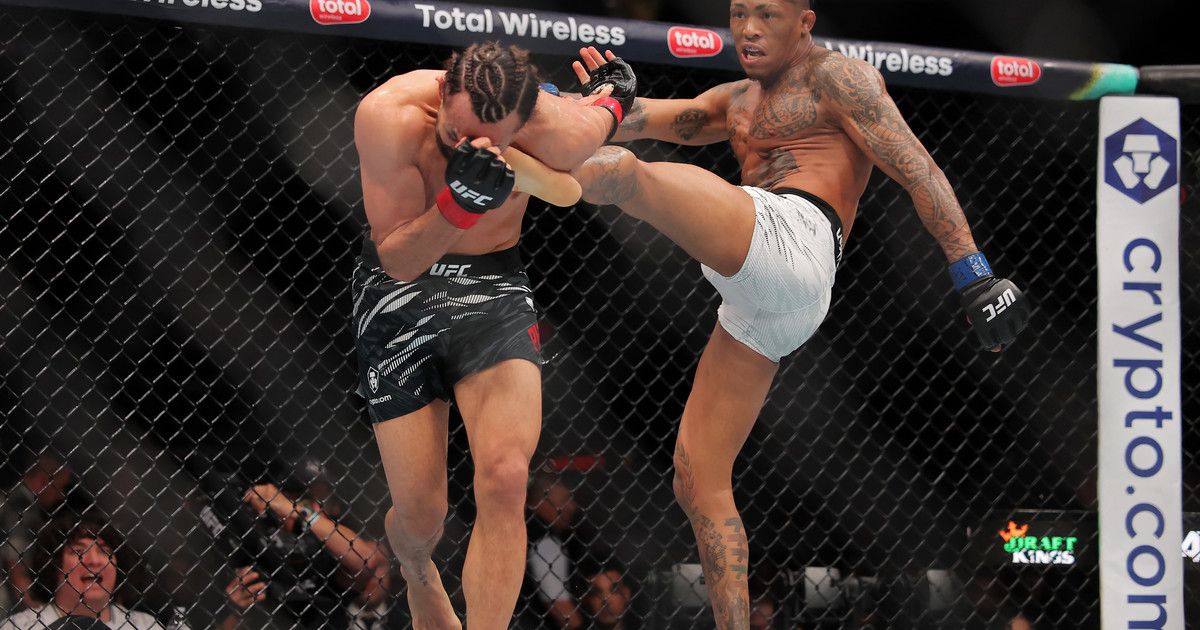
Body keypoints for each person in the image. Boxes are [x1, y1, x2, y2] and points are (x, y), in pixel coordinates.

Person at [567, 0, 1031, 626]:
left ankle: (499, 173)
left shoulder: (838, 78)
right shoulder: (735, 99)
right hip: (768, 303)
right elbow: (646, 117)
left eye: (767, 15)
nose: (748, 30)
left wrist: (974, 272)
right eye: (739, 15)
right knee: (696, 478)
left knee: (624, 176)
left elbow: (918, 169)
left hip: (795, 235)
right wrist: (602, 104)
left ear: (805, 22)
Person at [350, 41, 636, 630]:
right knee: (421, 519)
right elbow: (398, 259)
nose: (472, 147)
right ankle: (416, 568)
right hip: (400, 293)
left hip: (493, 288)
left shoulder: (551, 126)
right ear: (441, 92)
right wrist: (458, 206)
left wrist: (613, 99)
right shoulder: (389, 115)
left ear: (524, 120)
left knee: (506, 477)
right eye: (458, 133)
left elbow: (598, 121)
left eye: (493, 139)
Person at [0, 511, 260, 630]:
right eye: (79, 551)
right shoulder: (21, 627)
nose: (94, 561)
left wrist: (233, 610)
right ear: (54, 566)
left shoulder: (144, 625)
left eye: (105, 551)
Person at [240, 480, 390, 629]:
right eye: (306, 501)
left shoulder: (328, 558)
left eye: (324, 503)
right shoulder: (253, 541)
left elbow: (365, 560)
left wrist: (298, 512)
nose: (318, 509)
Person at [2, 452, 93, 610]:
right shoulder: (21, 507)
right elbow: (17, 570)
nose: (62, 496)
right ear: (47, 479)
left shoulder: (11, 500)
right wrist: (43, 614)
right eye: (61, 487)